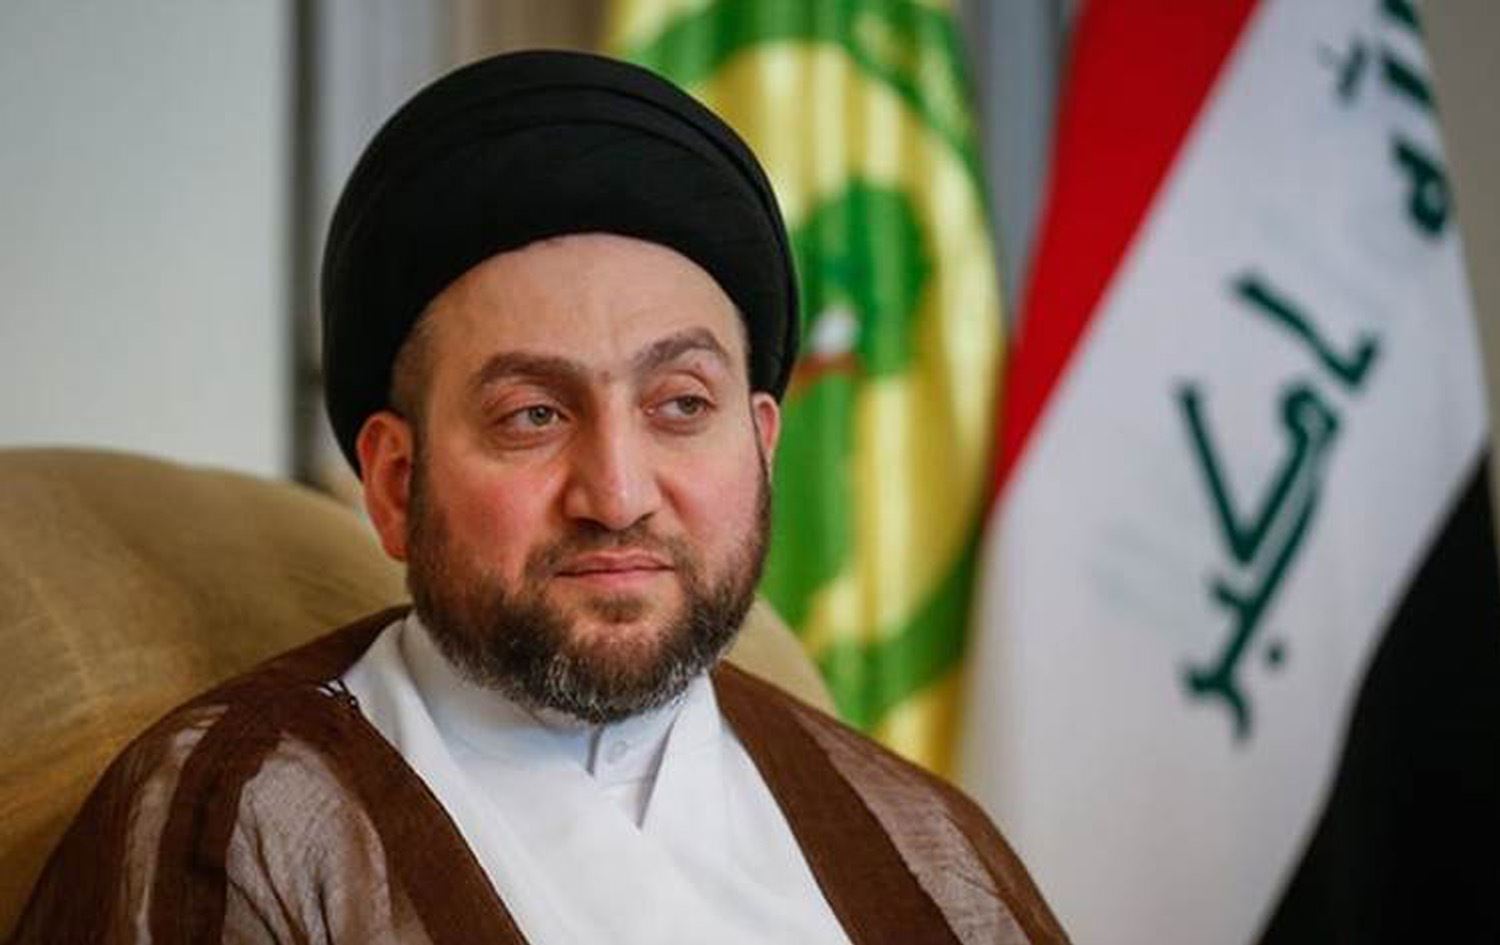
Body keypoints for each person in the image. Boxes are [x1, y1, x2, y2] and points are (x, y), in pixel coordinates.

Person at [12, 51, 1067, 944]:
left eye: (681, 403)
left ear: (761, 444)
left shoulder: (921, 837)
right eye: (533, 415)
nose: (617, 495)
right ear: (397, 483)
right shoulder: (240, 820)